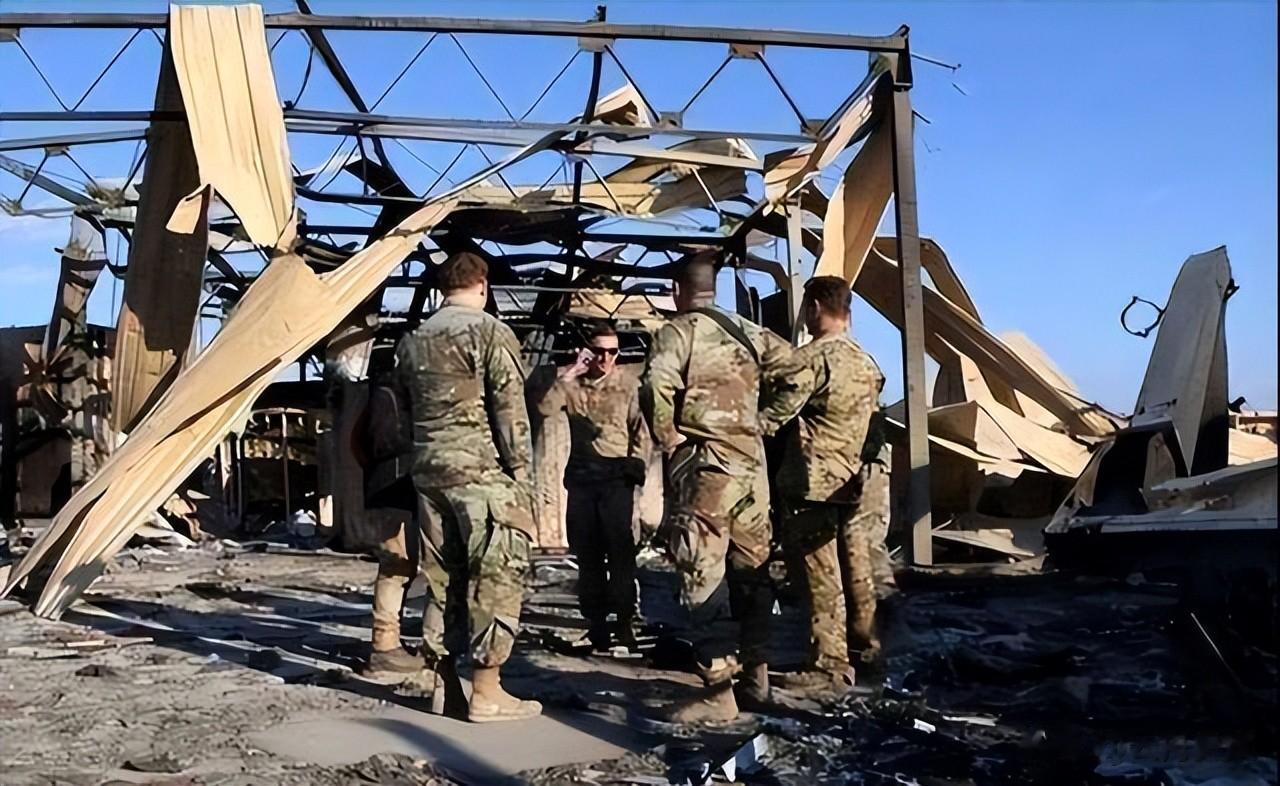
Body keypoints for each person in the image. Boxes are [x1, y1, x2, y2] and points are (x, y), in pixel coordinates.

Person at [641, 252, 808, 722]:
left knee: (701, 573)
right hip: (752, 472)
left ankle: (718, 690)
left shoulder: (678, 332)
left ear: (677, 290)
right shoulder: (751, 333)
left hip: (707, 471)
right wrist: (764, 422)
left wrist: (670, 440)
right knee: (754, 574)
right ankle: (757, 679)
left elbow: (654, 385)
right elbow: (800, 375)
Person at [394, 250, 541, 723]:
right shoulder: (490, 332)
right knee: (494, 576)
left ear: (443, 289)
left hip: (428, 471)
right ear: (483, 285)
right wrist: (523, 480)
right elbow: (511, 413)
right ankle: (487, 691)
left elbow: (402, 413)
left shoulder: (412, 341)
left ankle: (445, 687)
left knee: (443, 578)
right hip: (480, 473)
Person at [773, 276, 885, 694]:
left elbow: (776, 415)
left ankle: (828, 666)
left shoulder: (810, 359)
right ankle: (866, 652)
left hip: (812, 483)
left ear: (815, 307)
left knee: (820, 575)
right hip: (852, 481)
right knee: (856, 570)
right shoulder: (866, 362)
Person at [537, 322, 648, 651]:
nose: (606, 358)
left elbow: (641, 430)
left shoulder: (628, 385)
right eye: (599, 351)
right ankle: (596, 623)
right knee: (588, 556)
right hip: (583, 481)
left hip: (616, 480)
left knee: (621, 554)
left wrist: (635, 468)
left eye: (612, 352)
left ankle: (625, 621)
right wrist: (571, 373)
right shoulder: (572, 386)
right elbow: (544, 408)